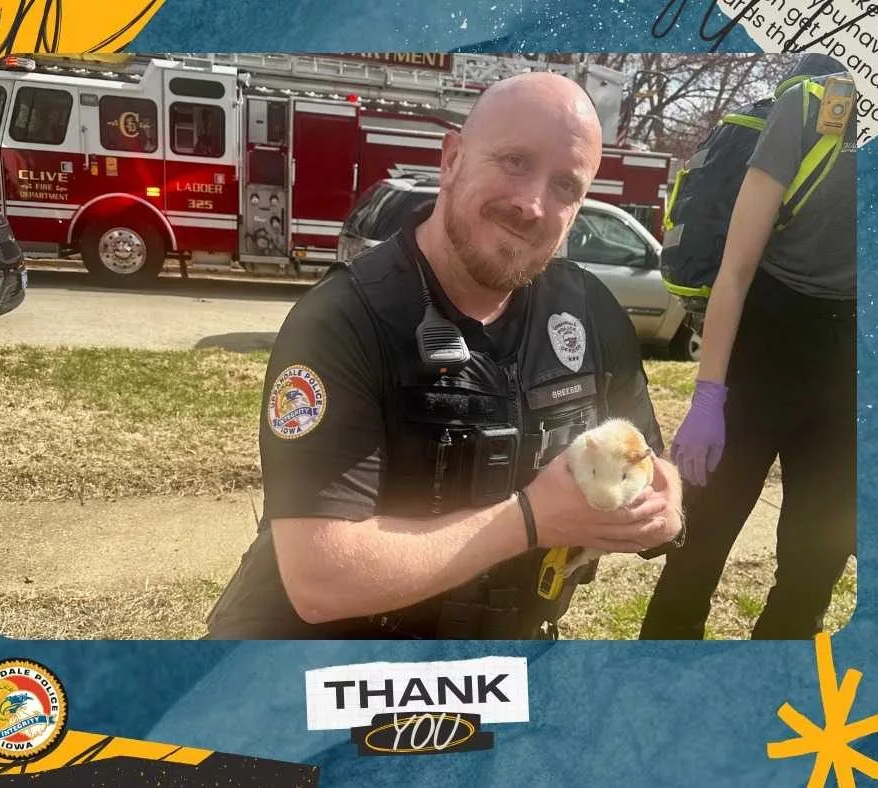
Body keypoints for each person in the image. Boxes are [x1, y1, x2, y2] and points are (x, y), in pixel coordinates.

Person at [206, 72, 684, 640]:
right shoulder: (344, 319)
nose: (532, 205)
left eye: (565, 186)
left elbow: (652, 462)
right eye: (515, 161)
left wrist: (665, 505)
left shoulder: (589, 311)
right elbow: (320, 578)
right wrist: (533, 519)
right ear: (452, 159)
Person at [640, 55, 856, 641]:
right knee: (698, 549)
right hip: (766, 339)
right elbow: (735, 272)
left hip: (852, 362)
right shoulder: (811, 106)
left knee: (813, 573)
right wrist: (708, 398)